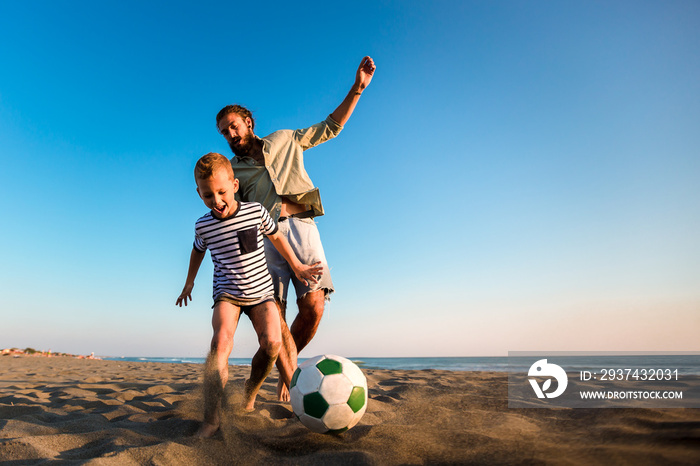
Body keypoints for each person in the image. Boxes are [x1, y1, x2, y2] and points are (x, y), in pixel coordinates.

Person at [215, 56, 376, 399]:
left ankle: (287, 368)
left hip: (302, 229)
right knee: (275, 316)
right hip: (264, 242)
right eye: (224, 132)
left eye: (233, 126)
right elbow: (226, 206)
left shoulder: (286, 139)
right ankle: (289, 380)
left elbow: (330, 127)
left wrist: (358, 89)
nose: (230, 135)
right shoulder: (233, 170)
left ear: (248, 121)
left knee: (315, 307)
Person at [176, 153, 323, 438]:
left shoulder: (255, 211)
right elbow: (198, 250)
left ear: (234, 184)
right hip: (227, 293)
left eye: (221, 192)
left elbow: (277, 236)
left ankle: (250, 390)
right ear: (198, 193)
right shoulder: (203, 225)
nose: (216, 201)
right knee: (220, 342)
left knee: (271, 343)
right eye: (207, 196)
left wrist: (297, 265)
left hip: (260, 292)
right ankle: (211, 419)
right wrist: (189, 283)